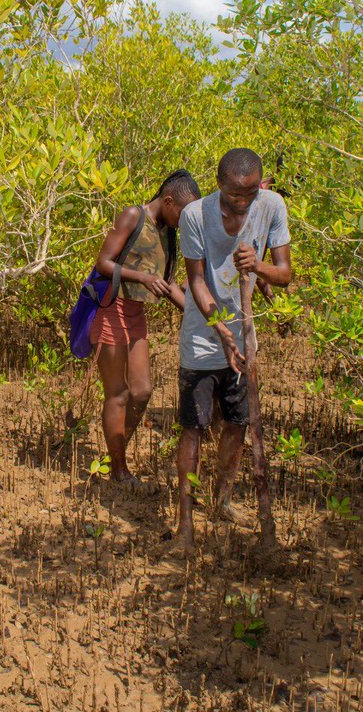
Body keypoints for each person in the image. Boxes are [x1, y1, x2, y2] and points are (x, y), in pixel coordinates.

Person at [172, 148, 291, 551]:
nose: (240, 204)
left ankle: (222, 501)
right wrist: (222, 333)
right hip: (203, 338)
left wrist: (257, 267)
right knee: (193, 427)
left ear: (259, 186)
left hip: (246, 339)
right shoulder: (194, 216)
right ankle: (184, 521)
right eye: (232, 195)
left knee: (238, 425)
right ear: (218, 182)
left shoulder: (272, 205)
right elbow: (197, 282)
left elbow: (286, 273)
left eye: (248, 195)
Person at [91, 169, 202, 484]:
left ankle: (115, 455)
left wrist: (203, 316)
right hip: (112, 309)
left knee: (141, 392)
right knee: (118, 394)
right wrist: (142, 277)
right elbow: (103, 262)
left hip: (136, 314)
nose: (185, 221)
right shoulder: (132, 216)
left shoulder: (169, 232)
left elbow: (167, 284)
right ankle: (119, 468)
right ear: (168, 201)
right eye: (183, 213)